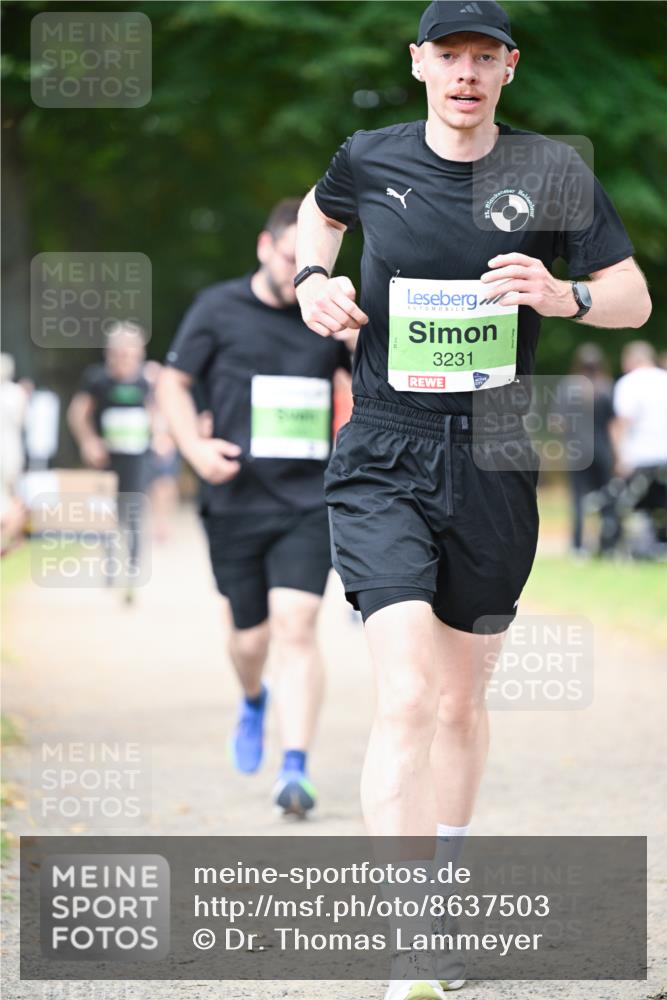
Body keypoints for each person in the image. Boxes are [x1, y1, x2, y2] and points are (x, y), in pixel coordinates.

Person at [295, 1, 651, 996]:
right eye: (446, 55)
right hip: (382, 450)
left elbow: (631, 298)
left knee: (459, 696)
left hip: (495, 458)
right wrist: (311, 280)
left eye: (481, 57)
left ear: (508, 69)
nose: (463, 72)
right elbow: (316, 216)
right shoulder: (368, 156)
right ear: (418, 64)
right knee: (406, 691)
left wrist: (562, 293)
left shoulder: (552, 173)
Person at [158, 198, 353, 817]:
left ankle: (294, 767)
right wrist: (192, 447)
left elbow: (379, 380)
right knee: (250, 638)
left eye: (311, 265)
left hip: (306, 497)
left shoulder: (327, 315)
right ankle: (251, 698)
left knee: (296, 626)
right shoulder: (218, 309)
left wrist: (355, 336)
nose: (302, 277)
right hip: (235, 497)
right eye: (292, 262)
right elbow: (172, 382)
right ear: (266, 250)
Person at [68, 322, 151, 603]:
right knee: (107, 514)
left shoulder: (148, 380)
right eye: (119, 352)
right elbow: (78, 413)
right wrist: (89, 441)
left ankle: (133, 570)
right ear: (109, 353)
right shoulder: (97, 379)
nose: (125, 358)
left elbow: (160, 410)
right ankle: (110, 567)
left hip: (137, 456)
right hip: (106, 459)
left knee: (134, 512)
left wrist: (162, 434)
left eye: (130, 352)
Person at [559, 344, 617, 556]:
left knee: (578, 501)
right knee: (608, 499)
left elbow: (558, 422)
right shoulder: (606, 387)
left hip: (577, 452)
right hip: (602, 450)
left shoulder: (568, 387)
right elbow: (614, 425)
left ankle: (577, 547)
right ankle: (608, 545)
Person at [611, 340, 667, 555]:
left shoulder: (629, 383)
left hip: (640, 456)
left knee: (634, 506)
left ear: (631, 360)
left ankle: (638, 548)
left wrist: (619, 458)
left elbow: (622, 423)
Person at [144, 360, 181, 543]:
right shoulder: (144, 400)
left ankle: (165, 522)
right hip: (151, 448)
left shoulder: (170, 399)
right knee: (154, 487)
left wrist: (169, 440)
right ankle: (157, 523)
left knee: (167, 485)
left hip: (168, 448)